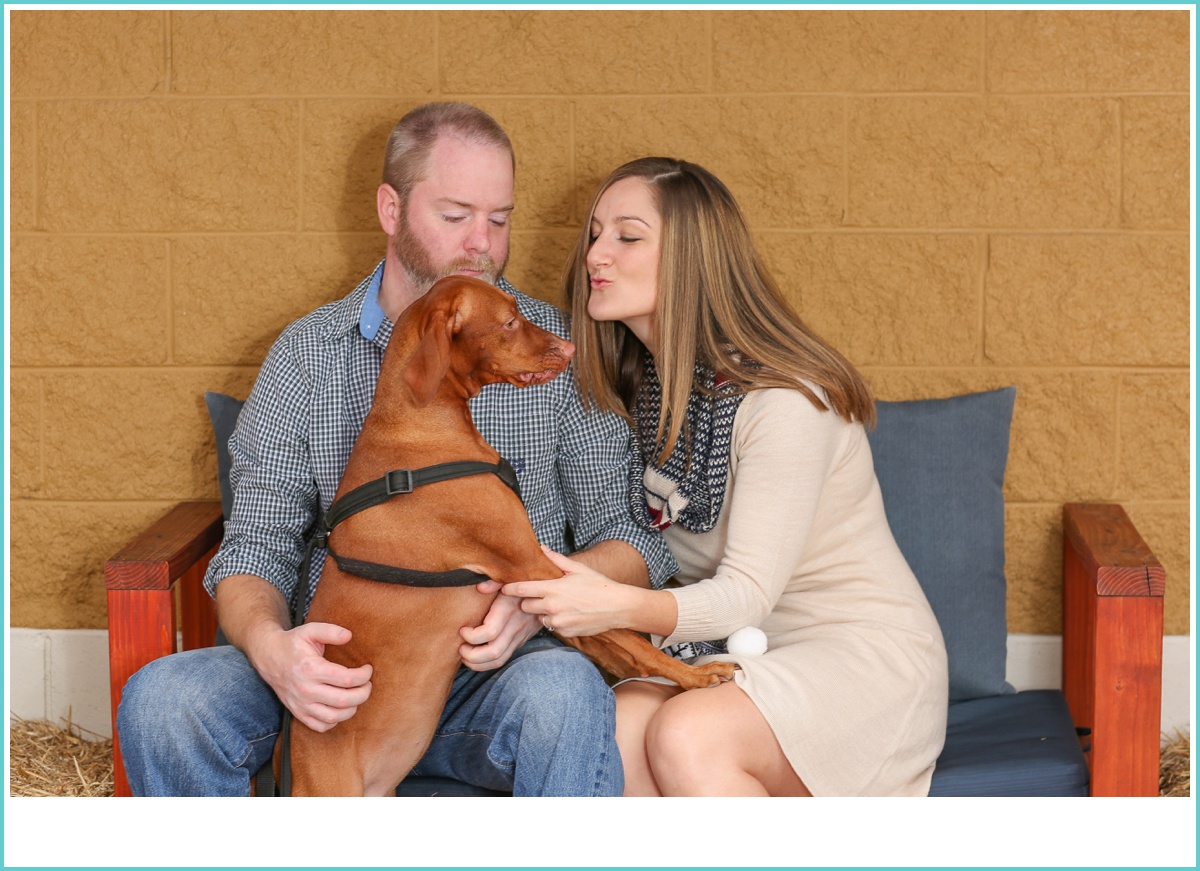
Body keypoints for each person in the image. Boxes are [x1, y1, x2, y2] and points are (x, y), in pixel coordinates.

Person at [116, 104, 677, 797]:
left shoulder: (552, 351)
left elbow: (630, 539)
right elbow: (254, 549)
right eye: (455, 215)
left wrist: (540, 601)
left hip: (490, 676)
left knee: (564, 692)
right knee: (163, 700)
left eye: (499, 219)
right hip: (336, 682)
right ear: (390, 208)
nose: (482, 244)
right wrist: (275, 651)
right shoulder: (306, 357)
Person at [503, 157, 949, 796]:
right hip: (733, 654)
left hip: (857, 659)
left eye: (627, 237)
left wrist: (608, 604)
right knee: (621, 724)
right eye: (594, 234)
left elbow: (745, 595)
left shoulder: (788, 400)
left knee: (689, 733)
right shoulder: (644, 390)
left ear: (692, 258)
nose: (595, 256)